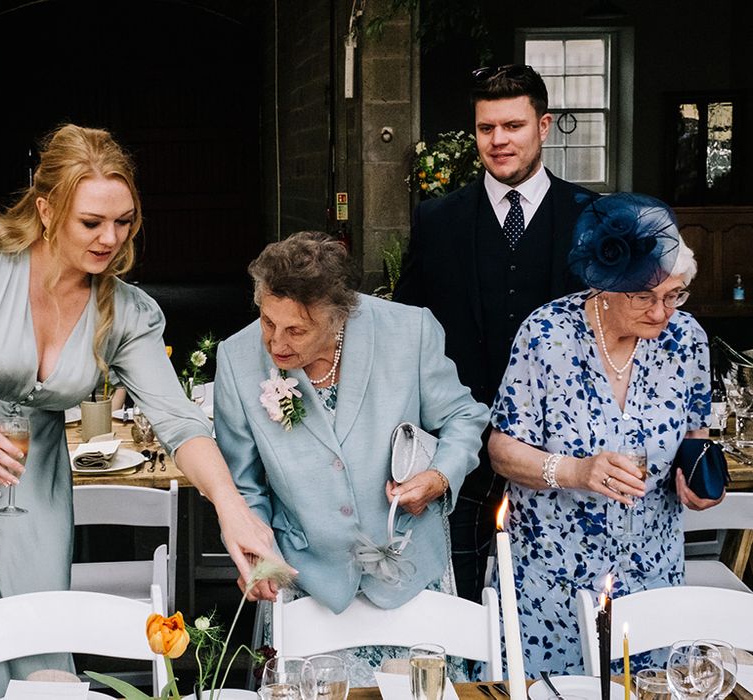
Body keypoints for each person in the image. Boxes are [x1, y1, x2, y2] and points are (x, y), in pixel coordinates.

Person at [0, 124, 288, 695]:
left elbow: (178, 419)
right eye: (92, 223)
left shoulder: (126, 312)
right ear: (46, 210)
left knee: (35, 658)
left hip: (35, 503)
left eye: (123, 221)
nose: (110, 239)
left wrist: (230, 508)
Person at [213, 231, 489, 685]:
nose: (275, 344)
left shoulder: (409, 330)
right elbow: (246, 484)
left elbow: (464, 417)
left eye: (296, 330)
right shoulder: (237, 358)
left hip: (409, 572)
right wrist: (258, 559)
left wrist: (440, 475)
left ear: (339, 317)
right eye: (267, 322)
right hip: (307, 579)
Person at [488, 192, 723, 677]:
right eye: (646, 297)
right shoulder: (547, 334)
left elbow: (694, 434)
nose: (663, 312)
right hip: (553, 576)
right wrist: (574, 470)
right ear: (606, 286)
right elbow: (501, 451)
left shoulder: (687, 340)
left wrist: (693, 477)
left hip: (651, 570)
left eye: (674, 295)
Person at [394, 64, 598, 602]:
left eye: (513, 126)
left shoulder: (589, 218)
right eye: (487, 128)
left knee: (556, 597)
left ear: (544, 126)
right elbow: (405, 325)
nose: (499, 140)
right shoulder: (437, 220)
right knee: (454, 596)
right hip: (459, 448)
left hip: (557, 449)